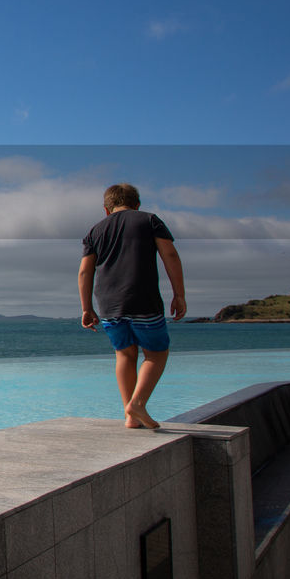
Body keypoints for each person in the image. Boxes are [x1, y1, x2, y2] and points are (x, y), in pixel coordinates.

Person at [78, 183, 185, 429]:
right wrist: (179, 294)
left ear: (106, 209)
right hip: (143, 299)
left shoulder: (95, 231)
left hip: (108, 304)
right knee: (156, 353)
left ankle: (129, 417)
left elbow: (85, 271)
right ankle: (137, 404)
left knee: (125, 354)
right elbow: (170, 255)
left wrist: (86, 308)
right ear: (137, 205)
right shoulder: (149, 220)